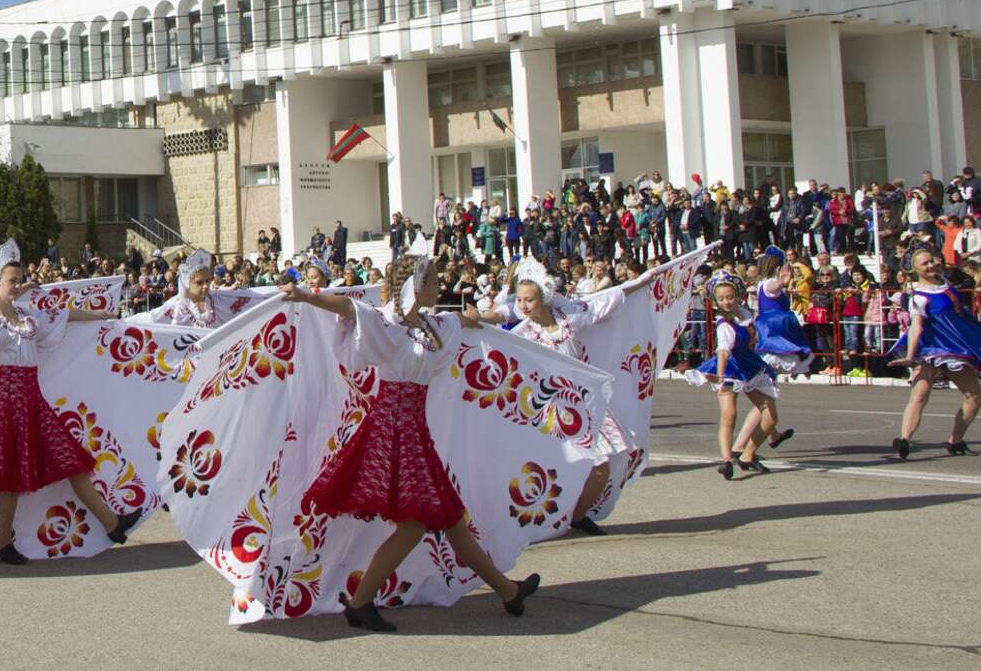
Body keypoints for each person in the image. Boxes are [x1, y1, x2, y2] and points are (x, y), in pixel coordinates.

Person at [281, 256, 542, 632]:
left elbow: (473, 321)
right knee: (417, 523)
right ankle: (360, 602)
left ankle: (508, 591)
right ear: (418, 287)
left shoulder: (434, 325)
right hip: (392, 430)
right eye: (435, 281)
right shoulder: (388, 323)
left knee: (451, 519)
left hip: (414, 432)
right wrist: (306, 296)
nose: (440, 286)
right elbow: (346, 307)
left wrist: (490, 317)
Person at [0, 240, 145, 566]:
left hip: (33, 401)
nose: (17, 284)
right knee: (11, 476)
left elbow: (64, 315)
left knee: (71, 460)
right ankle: (3, 542)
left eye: (19, 279)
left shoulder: (27, 316)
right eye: (11, 280)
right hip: (7, 404)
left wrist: (100, 315)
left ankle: (112, 524)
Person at [482, 258, 661, 535]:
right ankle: (527, 520)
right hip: (550, 407)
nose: (524, 305)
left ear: (543, 299)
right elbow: (499, 322)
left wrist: (639, 283)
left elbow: (607, 301)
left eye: (529, 300)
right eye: (521, 300)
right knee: (547, 466)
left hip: (585, 403)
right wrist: (480, 318)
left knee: (606, 462)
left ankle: (576, 516)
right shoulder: (524, 334)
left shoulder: (571, 320)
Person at [686, 272, 788, 478]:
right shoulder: (724, 324)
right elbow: (723, 351)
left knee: (770, 417)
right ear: (715, 301)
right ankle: (726, 460)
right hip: (730, 369)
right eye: (721, 298)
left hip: (750, 367)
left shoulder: (746, 314)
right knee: (729, 415)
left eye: (730, 297)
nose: (726, 302)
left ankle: (748, 454)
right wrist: (721, 376)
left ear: (738, 295)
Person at [886, 247, 981, 458]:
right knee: (920, 394)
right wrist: (910, 356)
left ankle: (955, 441)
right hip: (930, 347)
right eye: (925, 264)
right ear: (916, 270)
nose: (932, 265)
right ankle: (904, 440)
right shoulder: (918, 297)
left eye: (932, 261)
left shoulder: (947, 282)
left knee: (974, 395)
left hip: (956, 344)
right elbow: (916, 327)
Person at [751, 249, 817, 375]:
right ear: (777, 269)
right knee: (784, 345)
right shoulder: (769, 283)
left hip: (767, 320)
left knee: (780, 347)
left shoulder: (761, 283)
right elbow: (772, 287)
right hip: (776, 320)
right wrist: (782, 282)